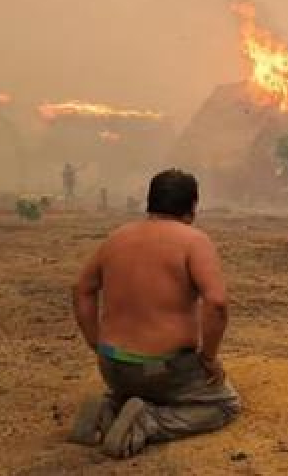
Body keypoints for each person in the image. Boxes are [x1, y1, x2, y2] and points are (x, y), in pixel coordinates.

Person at [69, 169, 239, 459]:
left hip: (112, 365)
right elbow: (217, 302)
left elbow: (81, 289)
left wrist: (95, 344)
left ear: (150, 201)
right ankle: (149, 423)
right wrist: (209, 358)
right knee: (224, 405)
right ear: (193, 206)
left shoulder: (117, 237)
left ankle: (108, 410)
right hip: (165, 370)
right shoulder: (193, 240)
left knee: (138, 390)